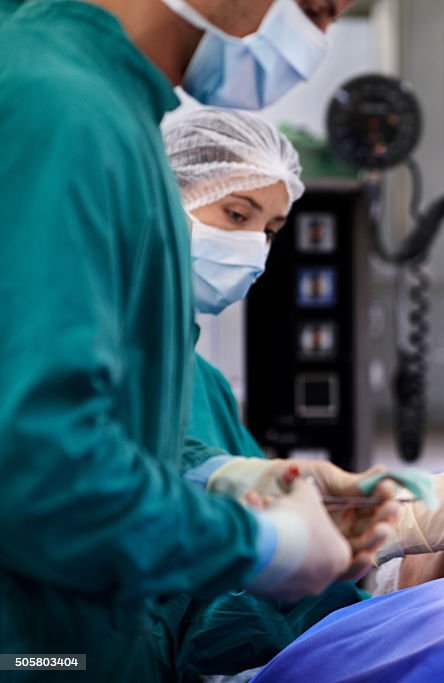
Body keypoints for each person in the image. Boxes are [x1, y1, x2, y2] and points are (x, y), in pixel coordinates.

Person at [0, 1, 394, 681]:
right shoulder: (60, 105)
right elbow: (39, 461)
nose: (314, 45)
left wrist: (230, 475)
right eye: (314, 11)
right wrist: (258, 543)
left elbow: (109, 419)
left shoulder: (111, 113)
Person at [158, 107, 444, 677]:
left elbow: (258, 559)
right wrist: (385, 529)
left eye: (270, 231)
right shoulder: (101, 363)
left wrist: (377, 563)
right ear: (156, 198)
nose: (253, 245)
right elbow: (199, 615)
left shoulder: (202, 384)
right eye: (236, 212)